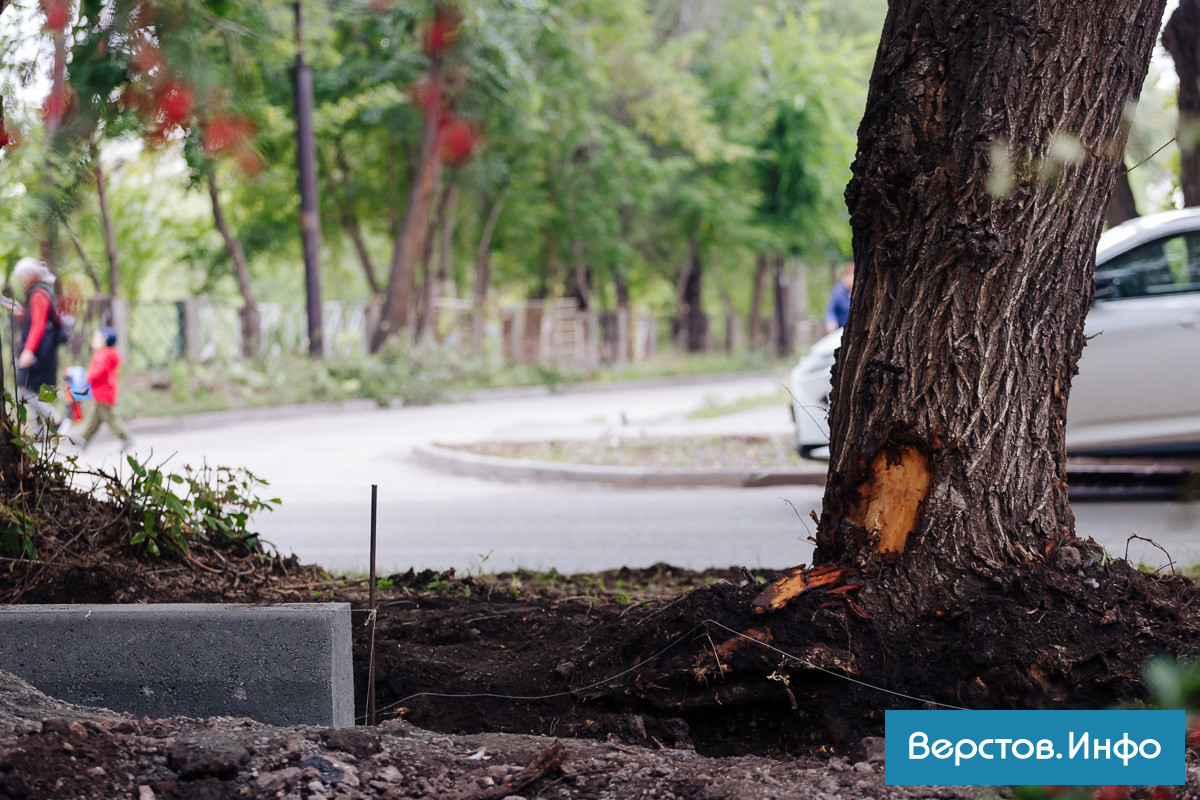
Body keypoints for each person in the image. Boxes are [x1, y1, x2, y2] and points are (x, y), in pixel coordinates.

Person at [8, 257, 70, 436]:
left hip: (40, 354)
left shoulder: (39, 294)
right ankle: (37, 433)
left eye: (20, 278)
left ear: (29, 277)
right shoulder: (40, 292)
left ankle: (57, 420)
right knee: (33, 391)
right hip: (43, 352)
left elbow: (39, 324)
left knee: (25, 391)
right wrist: (22, 313)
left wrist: (28, 351)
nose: (20, 283)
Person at [80, 326, 133, 451]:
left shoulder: (103, 355)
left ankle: (126, 436)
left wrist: (88, 376)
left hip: (104, 392)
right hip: (103, 392)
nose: (93, 340)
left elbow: (98, 372)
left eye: (96, 338)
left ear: (104, 341)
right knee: (96, 418)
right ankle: (84, 439)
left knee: (109, 418)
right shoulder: (105, 354)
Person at [824, 261, 854, 333]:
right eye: (848, 275)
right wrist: (831, 322)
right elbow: (830, 310)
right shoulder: (838, 291)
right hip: (841, 330)